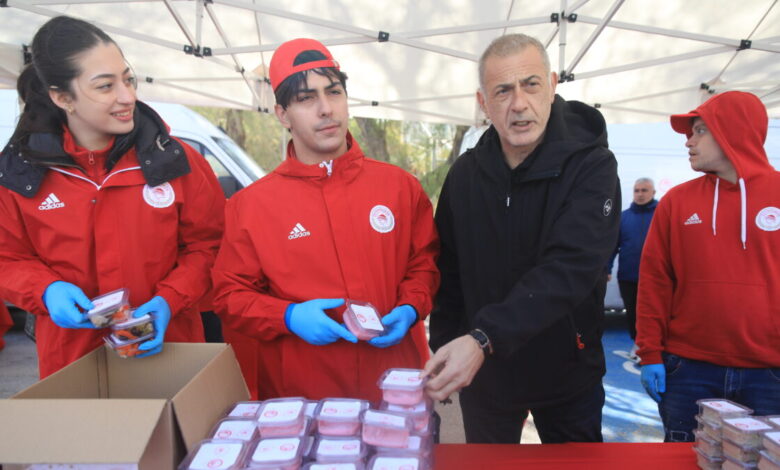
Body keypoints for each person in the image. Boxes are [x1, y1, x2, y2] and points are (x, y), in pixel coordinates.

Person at [211, 38, 439, 402]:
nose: (325, 109)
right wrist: (287, 316)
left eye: (333, 92)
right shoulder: (250, 206)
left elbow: (425, 263)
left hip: (394, 386)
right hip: (303, 396)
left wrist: (411, 306)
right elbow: (230, 296)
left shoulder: (399, 187)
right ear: (282, 114)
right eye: (306, 99)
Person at [0, 16, 225, 378]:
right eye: (105, 86)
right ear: (62, 97)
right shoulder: (20, 173)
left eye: (128, 79)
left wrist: (171, 299)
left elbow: (210, 247)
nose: (127, 96)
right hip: (72, 364)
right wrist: (46, 290)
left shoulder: (175, 161)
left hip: (172, 354)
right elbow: (7, 258)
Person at [424, 33, 620, 444]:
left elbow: (571, 268)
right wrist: (446, 345)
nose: (518, 103)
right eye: (502, 91)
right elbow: (449, 270)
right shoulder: (466, 174)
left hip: (568, 376)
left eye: (530, 85)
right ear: (483, 103)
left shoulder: (591, 164)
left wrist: (482, 338)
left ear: (551, 85)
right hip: (488, 381)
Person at [636, 91, 780, 442]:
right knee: (683, 462)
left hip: (771, 374)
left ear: (733, 131)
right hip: (689, 371)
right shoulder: (676, 202)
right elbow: (655, 281)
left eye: (700, 130)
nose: (689, 141)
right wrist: (650, 353)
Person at [607, 177, 657, 357]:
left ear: (653, 193)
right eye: (637, 190)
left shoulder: (661, 214)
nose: (640, 194)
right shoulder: (623, 217)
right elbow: (612, 245)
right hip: (628, 276)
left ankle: (654, 347)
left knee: (654, 314)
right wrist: (606, 268)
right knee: (633, 313)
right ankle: (637, 344)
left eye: (644, 190)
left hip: (656, 277)